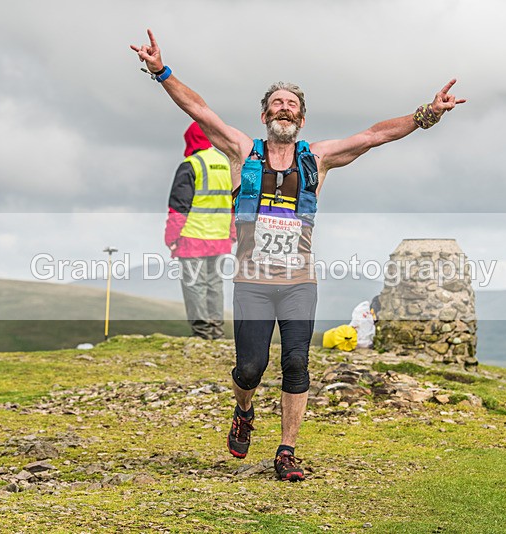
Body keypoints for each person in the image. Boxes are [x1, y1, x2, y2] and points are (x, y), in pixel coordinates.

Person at [131, 29, 465, 481]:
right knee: (249, 369)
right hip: (251, 281)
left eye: (291, 104)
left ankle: (287, 450)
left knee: (295, 362)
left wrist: (426, 114)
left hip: (298, 282)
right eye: (276, 103)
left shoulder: (318, 158)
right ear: (264, 114)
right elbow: (197, 109)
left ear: (301, 118)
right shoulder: (242, 150)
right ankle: (244, 410)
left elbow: (374, 135)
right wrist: (161, 71)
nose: (283, 109)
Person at [165, 122, 235, 340]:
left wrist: (171, 238)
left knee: (194, 284)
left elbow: (178, 207)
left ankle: (202, 332)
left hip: (193, 236)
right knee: (215, 283)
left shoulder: (191, 165)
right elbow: (234, 201)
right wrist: (232, 231)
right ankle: (216, 330)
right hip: (220, 236)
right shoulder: (225, 162)